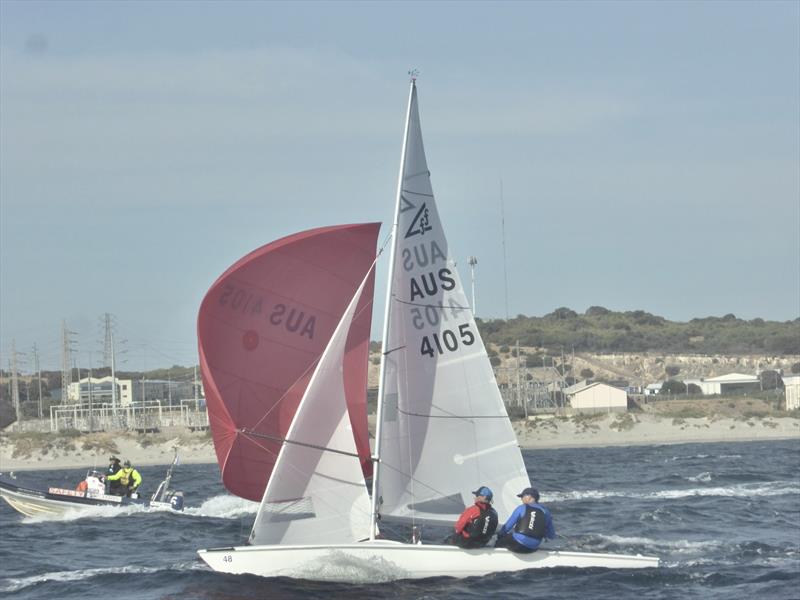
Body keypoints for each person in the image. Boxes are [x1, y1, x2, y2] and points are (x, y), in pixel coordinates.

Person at [494, 487, 555, 553]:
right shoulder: (546, 512)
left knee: (499, 541)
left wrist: (499, 535)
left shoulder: (521, 508)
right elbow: (551, 535)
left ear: (529, 497)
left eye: (522, 496)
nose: (521, 499)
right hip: (533, 548)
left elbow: (507, 527)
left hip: (517, 545)